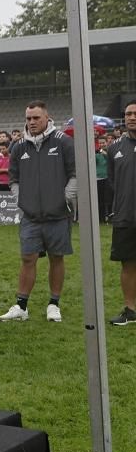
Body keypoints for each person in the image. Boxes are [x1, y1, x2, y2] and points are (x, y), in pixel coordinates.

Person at [0, 101, 76, 322]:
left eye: (36, 118)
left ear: (47, 117)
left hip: (58, 215)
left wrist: (64, 199)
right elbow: (13, 179)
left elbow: (75, 174)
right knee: (27, 258)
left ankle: (54, 304)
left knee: (56, 258)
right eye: (28, 118)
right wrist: (23, 202)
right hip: (30, 216)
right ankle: (21, 306)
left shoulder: (64, 142)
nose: (31, 122)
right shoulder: (18, 147)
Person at [107, 100, 136, 325]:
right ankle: (130, 309)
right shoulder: (115, 147)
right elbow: (113, 181)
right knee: (127, 263)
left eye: (135, 113)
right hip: (125, 215)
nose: (131, 117)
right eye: (128, 114)